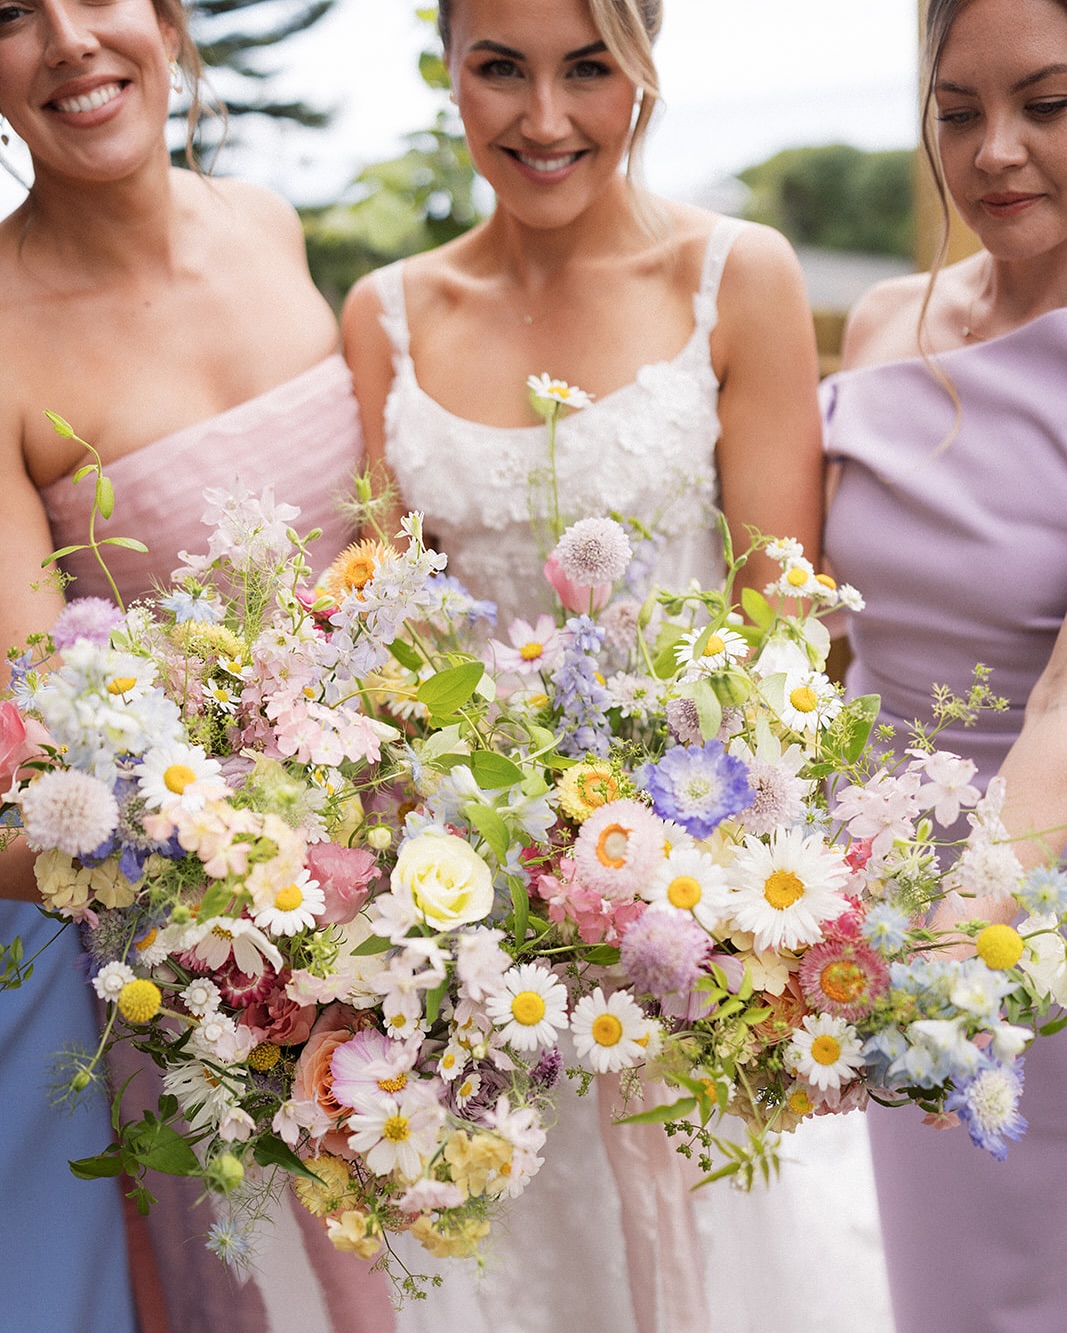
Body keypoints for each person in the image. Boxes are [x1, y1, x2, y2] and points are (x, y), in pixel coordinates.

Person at [344, 2, 892, 1330]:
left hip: (694, 932)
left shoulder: (735, 274)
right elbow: (390, 659)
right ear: (447, 70)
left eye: (589, 68)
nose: (545, 119)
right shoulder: (387, 314)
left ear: (646, 65)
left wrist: (677, 882)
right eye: (500, 70)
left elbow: (786, 635)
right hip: (480, 961)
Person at [0, 0, 392, 1328]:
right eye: (7, 16)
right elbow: (53, 736)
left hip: (429, 894)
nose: (65, 39)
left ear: (167, 15)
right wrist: (264, 892)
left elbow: (377, 554)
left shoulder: (271, 223)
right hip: (219, 957)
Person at [822, 0, 1067, 1328]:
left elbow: (1062, 700)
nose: (998, 154)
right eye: (959, 111)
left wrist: (959, 946)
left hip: (1025, 910)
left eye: (1050, 104)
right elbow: (819, 621)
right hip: (878, 897)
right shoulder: (879, 322)